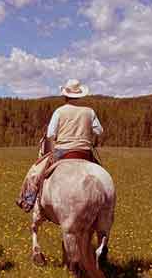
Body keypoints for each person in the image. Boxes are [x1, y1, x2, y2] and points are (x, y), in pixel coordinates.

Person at [17, 78, 103, 212]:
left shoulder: (60, 111)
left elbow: (51, 134)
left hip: (63, 151)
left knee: (35, 171)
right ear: (80, 95)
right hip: (85, 152)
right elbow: (99, 131)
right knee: (101, 174)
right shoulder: (89, 111)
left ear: (65, 95)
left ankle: (28, 199)